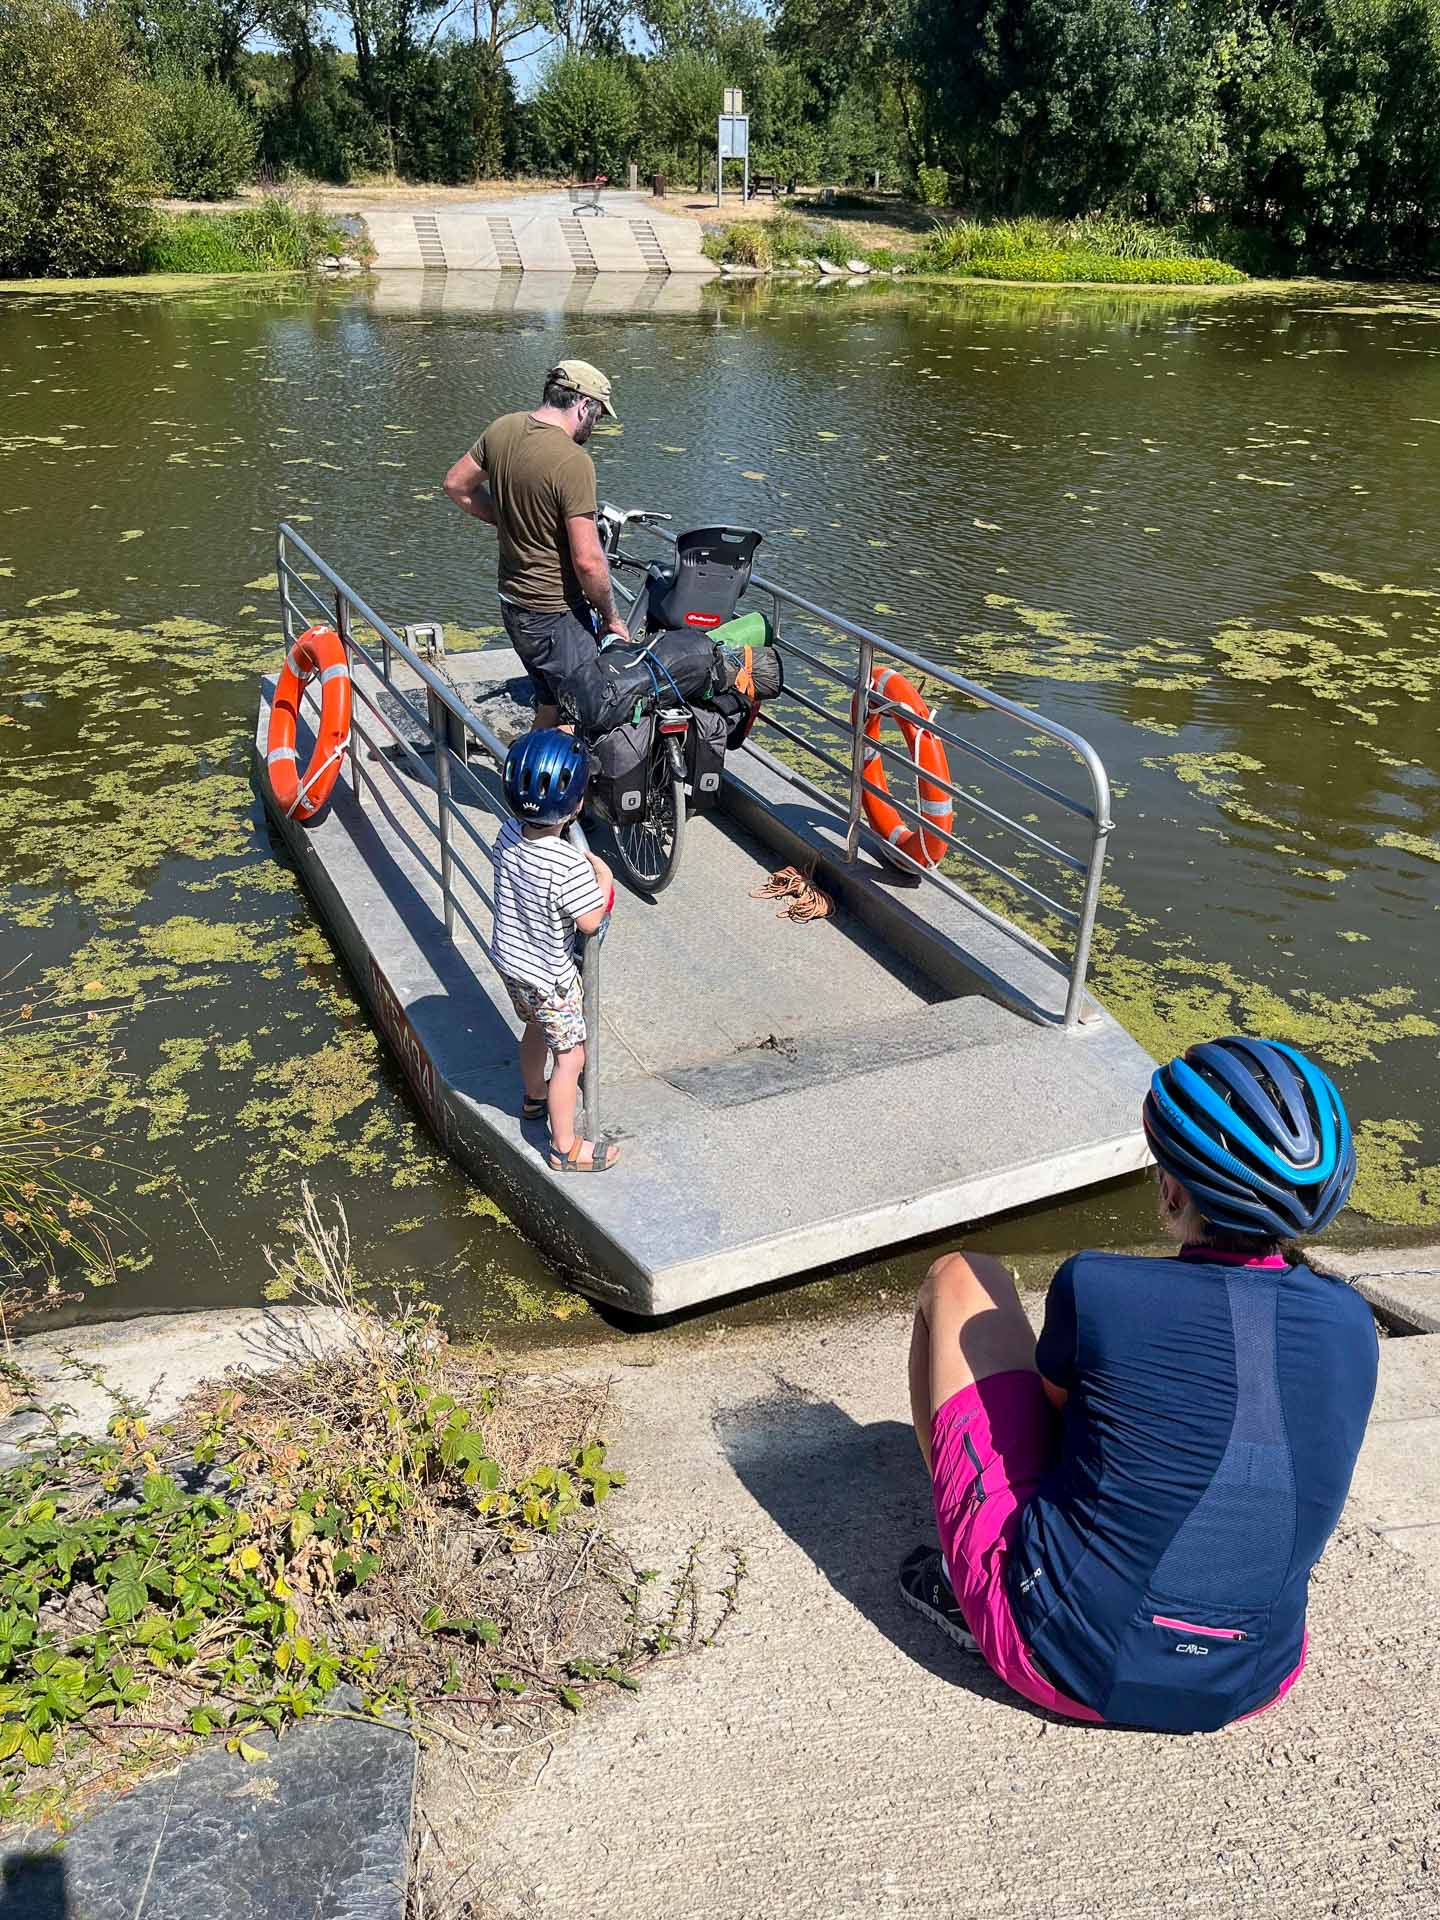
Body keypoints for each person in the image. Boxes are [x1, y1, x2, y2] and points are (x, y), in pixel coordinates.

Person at [900, 1035, 1375, 1733]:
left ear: (1173, 1189)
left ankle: (972, 1579)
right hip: (1254, 1679)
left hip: (1062, 1662)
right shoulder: (1351, 1323)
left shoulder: (1100, 1287)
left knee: (961, 1277)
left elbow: (1054, 1421)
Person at [443, 360, 628, 731]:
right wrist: (611, 618)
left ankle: (521, 784)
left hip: (513, 605)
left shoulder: (503, 429)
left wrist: (506, 518)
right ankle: (567, 790)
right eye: (598, 415)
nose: (596, 425)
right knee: (584, 718)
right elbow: (589, 561)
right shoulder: (573, 461)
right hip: (554, 614)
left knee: (550, 705)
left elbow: (456, 485)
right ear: (582, 405)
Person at [493, 729, 619, 1173]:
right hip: (550, 977)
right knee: (571, 1056)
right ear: (578, 803)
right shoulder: (567, 863)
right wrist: (603, 877)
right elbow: (589, 920)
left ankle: (533, 1096)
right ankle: (564, 1146)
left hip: (511, 963)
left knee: (533, 1029)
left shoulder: (508, 832)